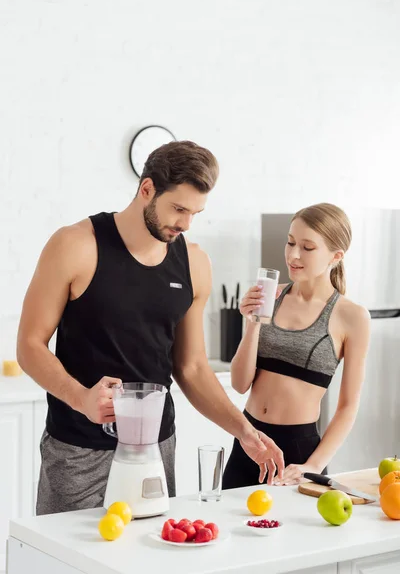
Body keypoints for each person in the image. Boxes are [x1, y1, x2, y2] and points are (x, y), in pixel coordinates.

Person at [17, 140, 284, 515]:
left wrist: (244, 431)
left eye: (196, 212)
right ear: (146, 190)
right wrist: (82, 399)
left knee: (153, 560)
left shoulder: (194, 263)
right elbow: (29, 344)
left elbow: (191, 367)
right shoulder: (76, 245)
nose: (186, 224)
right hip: (77, 450)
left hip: (155, 450)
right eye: (178, 208)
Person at [222, 203, 370, 489]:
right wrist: (252, 321)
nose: (293, 255)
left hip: (298, 454)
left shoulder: (352, 317)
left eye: (307, 247)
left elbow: (348, 406)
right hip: (250, 441)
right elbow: (240, 384)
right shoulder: (270, 297)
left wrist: (312, 466)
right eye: (290, 242)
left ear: (336, 256)